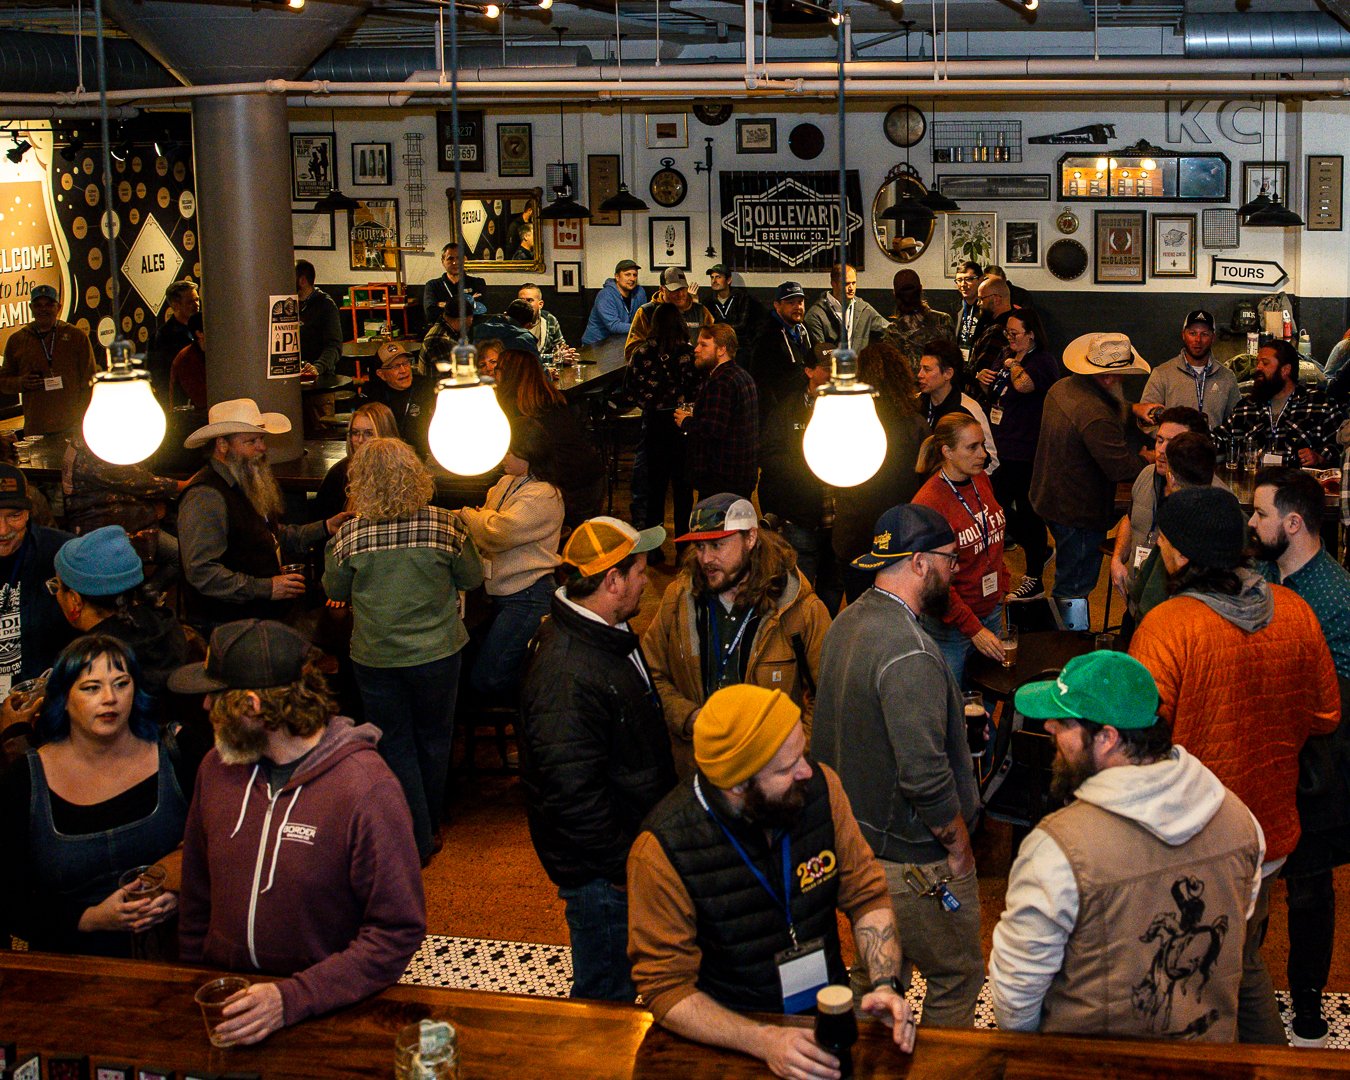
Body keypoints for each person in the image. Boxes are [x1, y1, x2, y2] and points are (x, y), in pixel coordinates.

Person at [1129, 485, 1339, 1044]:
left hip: (1190, 840)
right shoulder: (1295, 612)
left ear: (1176, 552)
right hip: (1267, 832)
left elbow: (1136, 745)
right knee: (1243, 962)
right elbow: (1325, 714)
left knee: (1200, 984)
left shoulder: (1169, 627)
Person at [627, 684, 916, 1076]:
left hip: (823, 1020)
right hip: (730, 1046)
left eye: (803, 752)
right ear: (738, 784)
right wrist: (762, 1040)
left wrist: (885, 984)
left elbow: (866, 894)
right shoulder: (661, 851)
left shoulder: (821, 791)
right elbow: (666, 988)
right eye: (786, 767)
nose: (807, 771)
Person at [172, 620, 425, 1047]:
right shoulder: (215, 770)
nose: (206, 707)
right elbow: (197, 894)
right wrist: (194, 979)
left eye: (216, 696)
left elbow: (396, 930)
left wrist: (291, 999)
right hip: (228, 1014)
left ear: (251, 705)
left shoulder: (366, 788)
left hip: (325, 1016)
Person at [989, 652, 1264, 1041]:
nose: (1048, 726)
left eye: (1064, 722)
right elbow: (1240, 917)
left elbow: (1015, 999)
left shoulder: (1057, 849)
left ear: (1107, 737)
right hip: (1208, 1057)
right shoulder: (1240, 820)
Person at [813, 504, 984, 1028]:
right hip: (912, 865)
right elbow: (924, 776)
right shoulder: (910, 653)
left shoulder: (848, 619)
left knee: (876, 979)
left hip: (857, 850)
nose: (956, 572)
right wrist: (958, 848)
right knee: (957, 978)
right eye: (950, 560)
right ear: (917, 563)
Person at [519, 517, 676, 1001]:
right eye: (639, 572)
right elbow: (572, 796)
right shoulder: (567, 672)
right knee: (604, 1001)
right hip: (603, 880)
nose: (646, 579)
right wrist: (622, 869)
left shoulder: (605, 632)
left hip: (621, 861)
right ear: (612, 581)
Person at [324, 438, 483, 864]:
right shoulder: (445, 525)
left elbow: (334, 590)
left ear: (361, 482)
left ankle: (415, 833)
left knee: (395, 743)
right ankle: (429, 823)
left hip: (376, 656)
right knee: (435, 738)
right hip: (438, 652)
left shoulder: (350, 536)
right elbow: (470, 577)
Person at [0, 635, 186, 957]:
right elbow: (9, 897)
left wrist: (182, 892)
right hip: (71, 969)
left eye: (121, 683)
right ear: (64, 698)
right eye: (91, 688)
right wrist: (90, 918)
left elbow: (223, 848)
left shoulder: (177, 754)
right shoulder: (24, 781)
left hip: (171, 958)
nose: (110, 698)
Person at [1249, 466, 1350, 1045]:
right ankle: (1248, 986)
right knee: (1252, 885)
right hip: (1263, 760)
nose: (1252, 522)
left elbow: (1337, 698)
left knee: (1309, 888)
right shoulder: (1262, 573)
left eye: (1261, 514)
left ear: (1293, 523)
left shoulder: (1334, 594)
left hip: (1312, 769)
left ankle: (1308, 998)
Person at [643, 494, 829, 777]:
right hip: (698, 773)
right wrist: (689, 717)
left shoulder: (799, 609)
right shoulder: (677, 599)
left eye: (717, 545)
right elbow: (651, 674)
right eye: (700, 546)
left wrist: (787, 757)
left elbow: (827, 696)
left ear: (751, 538)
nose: (706, 558)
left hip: (768, 783)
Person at [178, 399, 347, 630]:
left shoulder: (243, 480)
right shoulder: (206, 496)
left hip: (260, 617)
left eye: (261, 439)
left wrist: (325, 527)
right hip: (228, 627)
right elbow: (202, 573)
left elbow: (271, 536)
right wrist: (267, 588)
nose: (262, 447)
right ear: (222, 445)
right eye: (251, 441)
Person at [1030, 333, 1148, 629]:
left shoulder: (1062, 388)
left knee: (1066, 578)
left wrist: (1133, 408)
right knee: (1074, 589)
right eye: (1120, 377)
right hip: (1078, 511)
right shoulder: (1094, 415)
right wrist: (1148, 460)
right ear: (1109, 378)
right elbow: (1121, 468)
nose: (1122, 381)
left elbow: (1105, 405)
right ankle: (1069, 648)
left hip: (1049, 497)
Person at [457, 417, 565, 697]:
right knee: (473, 666)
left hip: (528, 595)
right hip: (501, 592)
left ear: (528, 455)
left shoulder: (544, 496)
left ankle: (547, 696)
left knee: (487, 678)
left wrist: (471, 515)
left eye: (509, 451)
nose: (502, 457)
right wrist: (482, 518)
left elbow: (496, 532)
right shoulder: (508, 482)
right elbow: (489, 523)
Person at [911, 415, 1010, 688]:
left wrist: (1003, 583)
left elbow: (993, 539)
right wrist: (972, 628)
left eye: (982, 445)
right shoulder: (929, 503)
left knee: (989, 692)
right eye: (972, 448)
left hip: (990, 610)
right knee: (952, 704)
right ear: (947, 452)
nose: (983, 455)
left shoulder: (980, 481)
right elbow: (934, 583)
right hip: (952, 626)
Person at [831, 342, 929, 602]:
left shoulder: (846, 422)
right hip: (901, 537)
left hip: (856, 535)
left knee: (860, 610)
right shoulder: (917, 426)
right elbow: (927, 485)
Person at [50, 527, 188, 698]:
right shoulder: (169, 626)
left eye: (56, 586)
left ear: (75, 600)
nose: (56, 594)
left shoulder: (82, 665)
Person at [976, 308, 1057, 600]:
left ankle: (1035, 576)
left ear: (1032, 333)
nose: (1009, 338)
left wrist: (1011, 364)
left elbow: (1023, 385)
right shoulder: (1005, 357)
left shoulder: (1042, 361)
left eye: (1014, 333)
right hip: (1001, 445)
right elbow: (999, 394)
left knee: (1025, 509)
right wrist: (985, 380)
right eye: (1006, 333)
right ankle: (1039, 549)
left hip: (1027, 449)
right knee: (995, 505)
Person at [1107, 406, 1212, 624]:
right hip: (1135, 606)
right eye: (1160, 440)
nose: (1162, 450)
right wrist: (1117, 559)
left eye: (1173, 443)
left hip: (1178, 618)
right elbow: (1130, 518)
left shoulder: (1211, 499)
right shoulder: (1146, 475)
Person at [61, 428, 184, 593]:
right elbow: (138, 481)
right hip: (106, 528)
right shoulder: (98, 449)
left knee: (178, 529)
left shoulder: (86, 440)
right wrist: (186, 484)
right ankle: (146, 597)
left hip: (112, 519)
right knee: (181, 555)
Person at [624, 302, 703, 553]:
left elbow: (630, 390)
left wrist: (650, 402)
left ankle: (653, 548)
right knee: (683, 489)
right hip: (682, 423)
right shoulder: (689, 353)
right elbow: (698, 388)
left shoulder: (642, 352)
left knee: (654, 488)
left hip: (654, 423)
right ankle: (684, 547)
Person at [494, 349, 605, 528]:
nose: (493, 374)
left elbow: (516, 456)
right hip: (590, 478)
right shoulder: (549, 399)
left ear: (509, 375)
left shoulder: (516, 413)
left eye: (497, 369)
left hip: (568, 487)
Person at [757, 344, 834, 594]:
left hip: (840, 521)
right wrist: (804, 469)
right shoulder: (787, 410)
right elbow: (769, 456)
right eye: (826, 368)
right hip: (803, 520)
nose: (833, 373)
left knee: (833, 588)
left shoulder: (853, 408)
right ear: (809, 371)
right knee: (801, 590)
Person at [0, 463, 73, 691]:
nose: (2, 530)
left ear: (29, 512)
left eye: (14, 515)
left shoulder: (61, 553)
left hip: (42, 697)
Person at [1214, 338, 1340, 468]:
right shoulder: (1246, 407)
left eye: (1265, 363)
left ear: (1285, 370)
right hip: (1252, 484)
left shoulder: (1320, 405)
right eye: (1258, 363)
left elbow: (1339, 448)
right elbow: (1221, 440)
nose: (1258, 368)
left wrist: (1319, 458)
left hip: (1297, 485)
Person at [0, 283, 96, 436]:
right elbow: (3, 382)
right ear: (31, 308)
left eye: (49, 304)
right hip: (36, 428)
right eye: (38, 305)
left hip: (73, 426)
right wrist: (21, 382)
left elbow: (90, 381)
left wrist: (83, 420)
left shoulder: (76, 337)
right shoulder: (17, 340)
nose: (43, 309)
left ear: (58, 307)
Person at [677, 324, 759, 501]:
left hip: (721, 480)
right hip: (741, 477)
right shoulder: (743, 376)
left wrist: (685, 421)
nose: (696, 350)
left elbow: (712, 431)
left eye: (704, 345)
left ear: (722, 349)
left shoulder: (721, 382)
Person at [1133, 310, 1240, 432]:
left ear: (1213, 338)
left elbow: (1236, 423)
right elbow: (1146, 421)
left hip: (1213, 449)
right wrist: (1171, 441)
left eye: (1204, 334)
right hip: (1173, 449)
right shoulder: (1162, 374)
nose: (1198, 339)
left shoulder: (1227, 377)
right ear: (1183, 335)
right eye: (1192, 333)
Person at [916, 337, 998, 470]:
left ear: (948, 373)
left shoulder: (969, 409)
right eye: (920, 368)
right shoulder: (914, 404)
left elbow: (991, 461)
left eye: (927, 369)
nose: (920, 374)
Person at [312, 402, 400, 523]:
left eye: (369, 433)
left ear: (385, 435)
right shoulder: (339, 473)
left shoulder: (404, 472)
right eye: (355, 433)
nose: (360, 440)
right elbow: (321, 522)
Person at [746, 281, 814, 418]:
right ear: (777, 305)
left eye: (800, 302)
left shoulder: (803, 327)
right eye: (791, 303)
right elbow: (760, 381)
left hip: (801, 405)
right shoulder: (766, 334)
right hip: (779, 412)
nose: (797, 307)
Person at [362, 341, 436, 459]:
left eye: (406, 363)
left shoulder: (426, 387)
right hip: (386, 457)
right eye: (395, 366)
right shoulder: (373, 395)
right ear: (381, 374)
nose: (403, 370)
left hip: (425, 455)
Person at [624, 267, 713, 362]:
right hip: (658, 372)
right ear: (662, 289)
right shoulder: (645, 312)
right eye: (674, 290)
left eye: (683, 289)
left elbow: (713, 344)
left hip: (692, 370)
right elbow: (631, 351)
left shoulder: (701, 311)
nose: (680, 294)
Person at [803, 263, 889, 350]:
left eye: (854, 283)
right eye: (846, 284)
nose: (851, 288)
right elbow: (818, 351)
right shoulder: (816, 314)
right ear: (833, 284)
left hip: (858, 362)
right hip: (830, 363)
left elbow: (889, 330)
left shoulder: (862, 308)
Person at [882, 268, 955, 370]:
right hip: (941, 384)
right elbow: (954, 361)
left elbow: (892, 373)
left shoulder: (893, 332)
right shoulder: (943, 320)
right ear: (921, 289)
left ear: (894, 293)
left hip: (908, 385)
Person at [145, 279, 200, 399]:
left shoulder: (205, 328)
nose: (196, 305)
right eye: (190, 302)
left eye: (197, 299)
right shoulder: (162, 337)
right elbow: (158, 378)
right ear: (176, 305)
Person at [965, 276, 1019, 394]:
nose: (978, 303)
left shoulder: (997, 330)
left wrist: (969, 374)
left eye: (981, 299)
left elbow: (982, 369)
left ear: (996, 299)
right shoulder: (1013, 324)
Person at [581, 259, 648, 346]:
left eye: (635, 275)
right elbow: (613, 326)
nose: (632, 278)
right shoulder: (605, 295)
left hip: (618, 342)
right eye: (627, 275)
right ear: (617, 277)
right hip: (595, 345)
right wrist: (642, 327)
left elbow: (644, 317)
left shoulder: (639, 292)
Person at [295, 260, 342, 379]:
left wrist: (317, 367)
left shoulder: (325, 305)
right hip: (294, 375)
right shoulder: (287, 304)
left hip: (321, 376)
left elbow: (334, 346)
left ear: (302, 281)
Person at [422, 241, 486, 328]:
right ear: (443, 261)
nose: (455, 262)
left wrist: (444, 305)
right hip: (442, 333)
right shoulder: (432, 286)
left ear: (464, 259)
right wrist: (468, 302)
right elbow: (431, 314)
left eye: (458, 258)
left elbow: (480, 312)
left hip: (471, 333)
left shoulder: (478, 283)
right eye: (450, 258)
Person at [703, 263, 762, 341]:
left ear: (728, 280)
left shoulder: (741, 298)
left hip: (739, 343)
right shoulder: (708, 301)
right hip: (717, 343)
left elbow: (742, 325)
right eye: (712, 277)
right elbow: (707, 325)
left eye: (718, 277)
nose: (714, 281)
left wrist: (718, 328)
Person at [169, 312, 207, 411]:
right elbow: (202, 399)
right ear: (199, 333)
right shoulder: (187, 359)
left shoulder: (208, 354)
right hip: (193, 422)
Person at [517, 283, 567, 356]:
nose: (524, 304)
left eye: (529, 300)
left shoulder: (549, 319)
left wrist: (564, 354)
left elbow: (560, 346)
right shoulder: (510, 321)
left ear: (540, 304)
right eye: (521, 300)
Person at [951, 261, 983, 351]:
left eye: (968, 279)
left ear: (981, 280)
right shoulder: (953, 309)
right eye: (959, 280)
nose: (963, 285)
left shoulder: (987, 309)